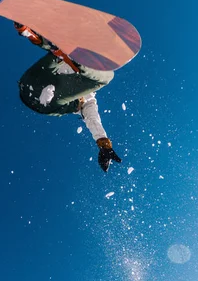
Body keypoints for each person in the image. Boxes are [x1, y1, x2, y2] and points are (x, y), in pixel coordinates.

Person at [15, 23, 122, 172]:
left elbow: (91, 116)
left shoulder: (87, 94)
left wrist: (103, 142)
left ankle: (36, 37)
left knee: (99, 77)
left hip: (36, 92)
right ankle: (31, 33)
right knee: (64, 51)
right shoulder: (86, 87)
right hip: (35, 84)